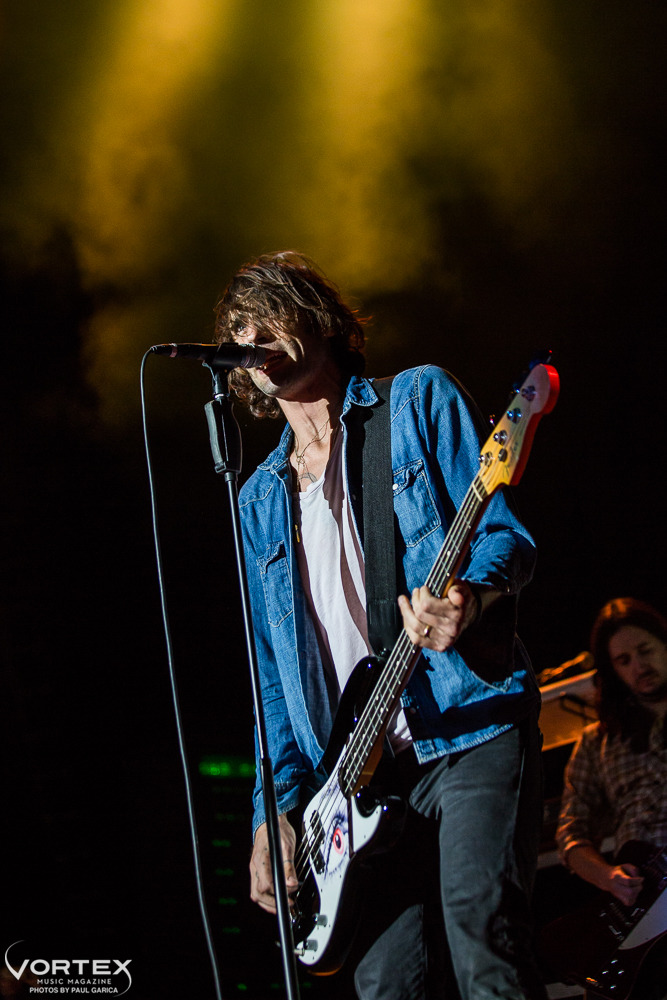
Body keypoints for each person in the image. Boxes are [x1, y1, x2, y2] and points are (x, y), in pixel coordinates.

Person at [214, 250, 547, 1000]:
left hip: (466, 725)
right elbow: (272, 675)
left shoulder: (415, 402)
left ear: (319, 322)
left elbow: (505, 537)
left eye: (268, 312)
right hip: (358, 780)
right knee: (388, 985)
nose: (250, 332)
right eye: (237, 328)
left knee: (480, 932)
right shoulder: (257, 502)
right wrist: (276, 812)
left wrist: (466, 597)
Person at [555, 597, 667, 999]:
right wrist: (609, 878)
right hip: (642, 898)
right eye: (623, 660)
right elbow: (570, 835)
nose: (639, 665)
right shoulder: (596, 743)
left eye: (645, 651)